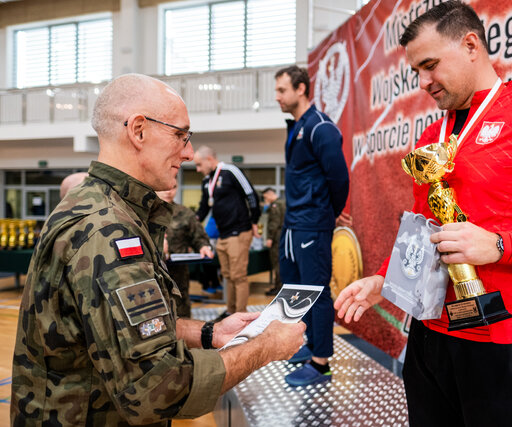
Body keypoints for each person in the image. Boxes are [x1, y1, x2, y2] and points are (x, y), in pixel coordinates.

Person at [334, 2, 512, 426]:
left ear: (471, 44)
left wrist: (502, 245)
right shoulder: (434, 135)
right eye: (416, 70)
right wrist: (386, 279)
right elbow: (423, 229)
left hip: (500, 344)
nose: (423, 82)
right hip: (429, 336)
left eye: (430, 65)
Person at [11, 73, 306, 426]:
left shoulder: (99, 206)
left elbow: (121, 332)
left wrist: (208, 333)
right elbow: (157, 387)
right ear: (138, 131)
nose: (189, 153)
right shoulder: (108, 230)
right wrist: (265, 347)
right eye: (181, 135)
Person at [274, 65, 350, 386]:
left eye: (282, 90)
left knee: (317, 293)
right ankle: (307, 345)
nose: (276, 96)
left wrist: (326, 215)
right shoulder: (297, 127)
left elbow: (339, 179)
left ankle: (321, 363)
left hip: (312, 225)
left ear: (302, 89)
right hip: (292, 225)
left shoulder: (321, 128)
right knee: (294, 289)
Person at [194, 146, 261, 319]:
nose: (197, 169)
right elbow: (203, 208)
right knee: (228, 276)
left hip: (239, 232)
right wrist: (191, 223)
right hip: (222, 235)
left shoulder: (231, 171)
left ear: (209, 159)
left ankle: (241, 314)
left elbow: (251, 194)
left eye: (199, 164)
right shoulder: (206, 181)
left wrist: (254, 221)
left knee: (238, 276)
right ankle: (231, 311)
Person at [157, 185, 214, 318]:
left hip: (178, 272)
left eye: (173, 188)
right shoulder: (145, 211)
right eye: (164, 188)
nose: (168, 191)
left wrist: (203, 246)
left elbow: (199, 237)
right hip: (153, 271)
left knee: (181, 310)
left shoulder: (185, 213)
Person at [262, 187, 285, 296]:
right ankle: (279, 286)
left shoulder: (275, 205)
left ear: (270, 194)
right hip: (283, 236)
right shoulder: (283, 201)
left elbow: (274, 223)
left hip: (277, 237)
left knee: (277, 262)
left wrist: (270, 237)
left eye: (265, 197)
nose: (265, 200)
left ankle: (278, 287)